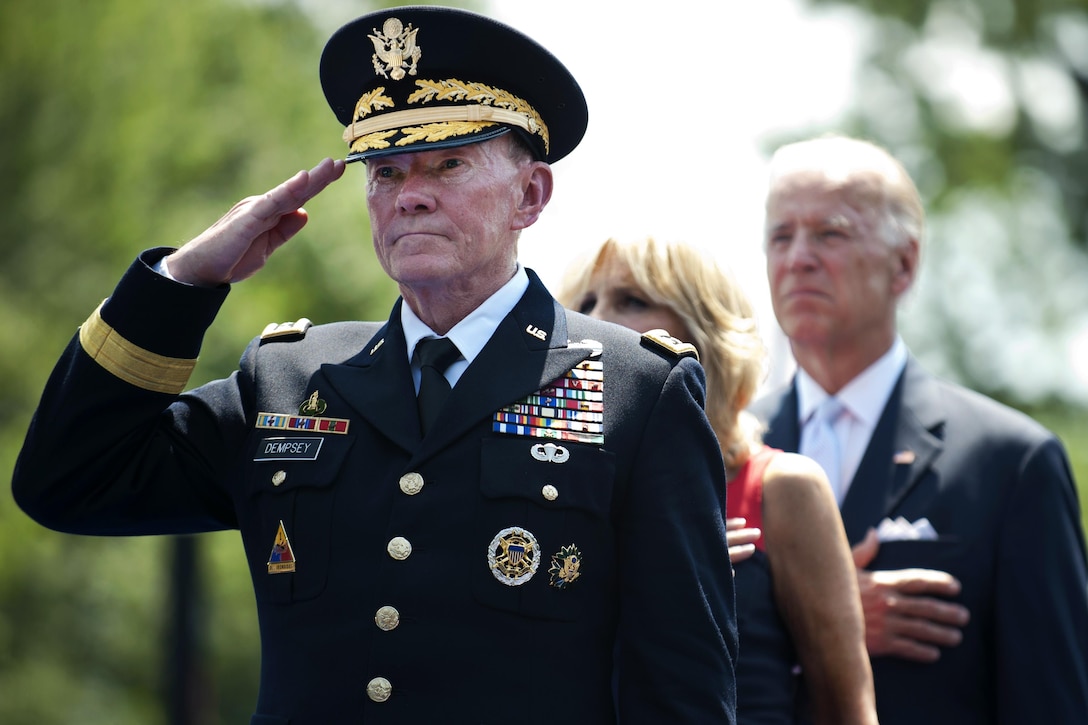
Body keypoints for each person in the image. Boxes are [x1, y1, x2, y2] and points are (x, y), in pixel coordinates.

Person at [11, 8, 738, 723]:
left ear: (531, 195)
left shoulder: (637, 389)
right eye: (384, 171)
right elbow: (68, 481)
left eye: (448, 162)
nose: (410, 194)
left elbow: (681, 695)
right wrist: (179, 284)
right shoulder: (288, 378)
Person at [750, 133, 1088, 724]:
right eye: (781, 235)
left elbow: (1052, 700)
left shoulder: (1010, 462)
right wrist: (833, 619)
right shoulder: (720, 447)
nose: (798, 256)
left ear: (903, 264)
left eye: (830, 233)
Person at [559, 237, 877, 725]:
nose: (598, 320)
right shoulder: (552, 494)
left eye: (632, 301)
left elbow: (846, 710)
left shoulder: (782, 488)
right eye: (584, 304)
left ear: (706, 336)